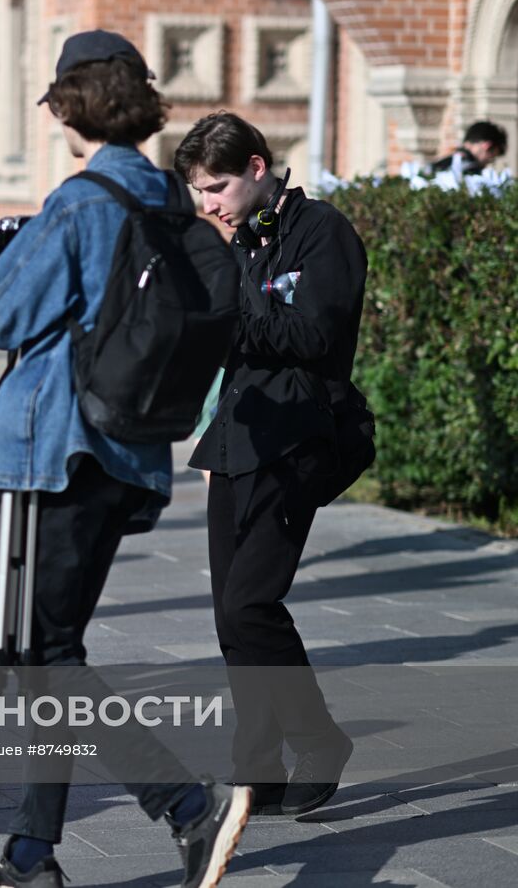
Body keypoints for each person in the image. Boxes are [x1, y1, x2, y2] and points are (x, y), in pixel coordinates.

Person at [0, 31, 250, 888]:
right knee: (56, 652)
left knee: (46, 657)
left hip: (59, 449)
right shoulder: (166, 195)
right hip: (131, 449)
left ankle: (188, 807)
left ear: (69, 104)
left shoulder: (82, 201)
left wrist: (3, 260)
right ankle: (30, 854)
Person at [176, 111, 365, 819]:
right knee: (232, 617)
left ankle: (319, 741)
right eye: (199, 192)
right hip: (236, 439)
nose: (209, 203)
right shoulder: (240, 241)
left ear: (258, 166)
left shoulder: (323, 232)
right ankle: (257, 770)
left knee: (252, 602)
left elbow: (316, 332)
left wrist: (229, 307)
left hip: (296, 437)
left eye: (217, 186)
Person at [423, 119, 508, 178]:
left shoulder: (440, 163)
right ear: (487, 146)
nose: (487, 164)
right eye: (491, 158)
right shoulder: (471, 170)